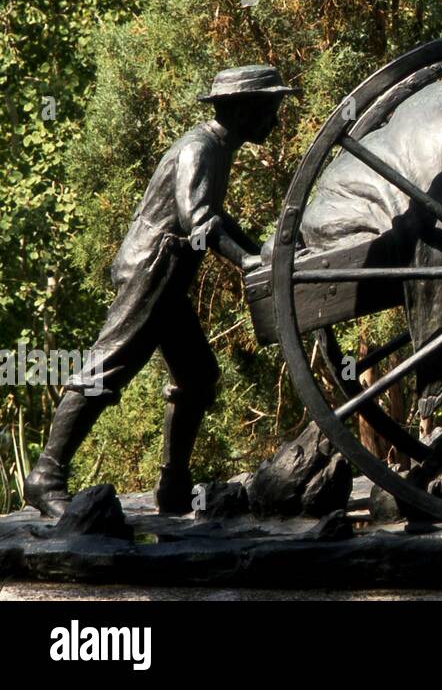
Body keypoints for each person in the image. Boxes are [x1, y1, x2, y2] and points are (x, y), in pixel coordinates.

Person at [23, 65, 299, 517]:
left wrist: (260, 251)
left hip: (167, 275)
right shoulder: (199, 148)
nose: (274, 120)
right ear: (243, 109)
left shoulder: (219, 146)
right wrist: (246, 261)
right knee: (105, 368)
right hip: (152, 270)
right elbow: (198, 221)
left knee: (197, 376)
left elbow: (216, 216)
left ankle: (174, 485)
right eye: (269, 109)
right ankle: (46, 476)